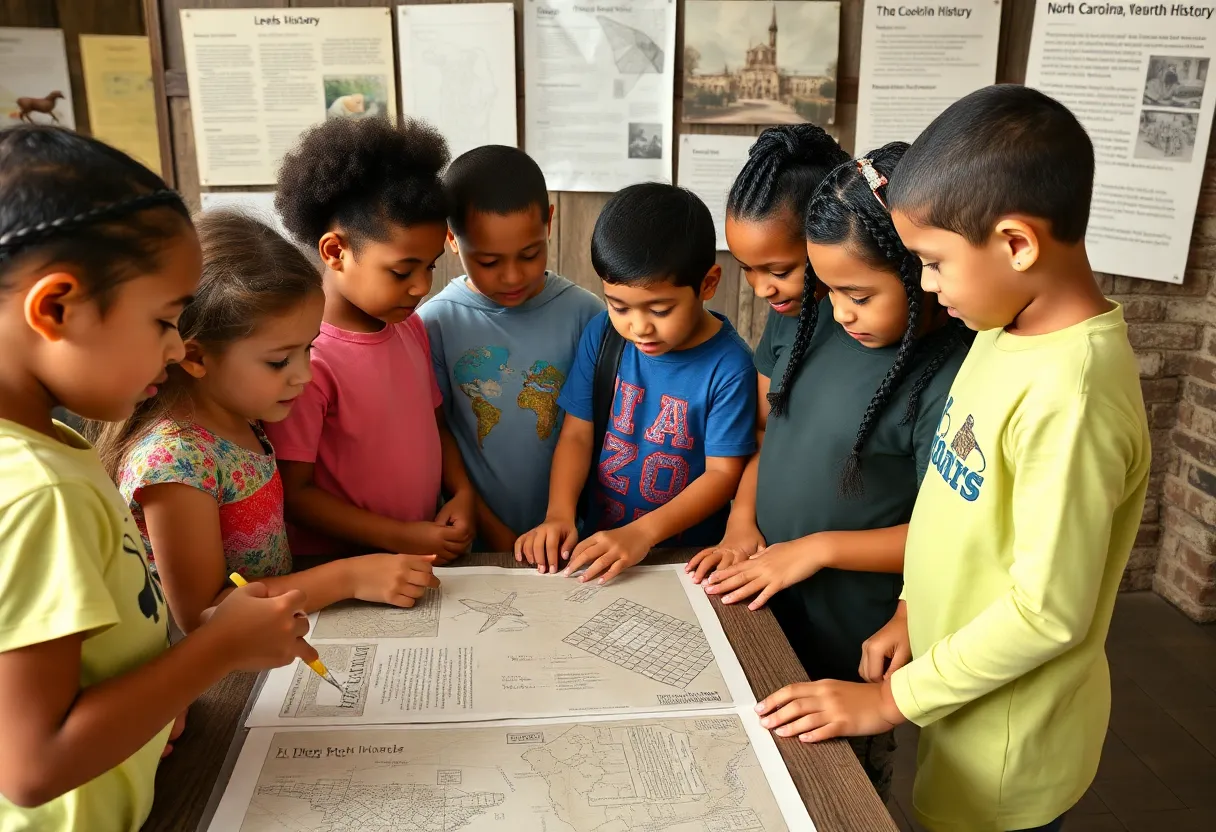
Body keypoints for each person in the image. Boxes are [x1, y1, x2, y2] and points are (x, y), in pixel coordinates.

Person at [756, 86, 1152, 832]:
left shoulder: (1074, 393)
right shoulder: (1004, 330)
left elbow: (1047, 614)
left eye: (934, 263)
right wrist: (914, 605)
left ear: (1016, 243)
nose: (928, 287)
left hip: (1008, 742)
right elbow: (954, 506)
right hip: (956, 695)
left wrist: (884, 703)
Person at [0, 125, 313, 831]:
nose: (176, 348)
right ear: (56, 309)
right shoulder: (39, 492)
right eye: (164, 321)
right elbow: (32, 765)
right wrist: (217, 651)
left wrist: (143, 715)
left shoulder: (46, 450)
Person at [692, 143, 968, 800]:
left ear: (915, 269)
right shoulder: (808, 317)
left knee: (840, 790)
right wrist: (741, 519)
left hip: (853, 634)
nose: (842, 310)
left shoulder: (948, 373)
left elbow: (950, 536)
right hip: (769, 604)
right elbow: (771, 434)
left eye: (859, 294)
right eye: (833, 290)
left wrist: (814, 550)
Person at [90, 211, 439, 634]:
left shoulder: (243, 420)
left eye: (308, 349)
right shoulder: (175, 464)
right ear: (196, 357)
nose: (304, 375)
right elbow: (202, 616)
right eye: (279, 361)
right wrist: (348, 578)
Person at [516, 184, 757, 582]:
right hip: (600, 547)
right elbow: (577, 435)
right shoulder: (605, 337)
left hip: (685, 562)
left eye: (660, 309)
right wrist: (559, 513)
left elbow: (722, 475)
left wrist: (641, 534)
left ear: (708, 284)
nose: (639, 326)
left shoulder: (730, 366)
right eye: (619, 306)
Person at [266, 116, 477, 561]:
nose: (422, 286)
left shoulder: (410, 328)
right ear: (335, 252)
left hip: (416, 557)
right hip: (339, 573)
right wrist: (401, 537)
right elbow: (296, 494)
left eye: (430, 266)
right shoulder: (308, 358)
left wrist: (460, 493)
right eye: (402, 271)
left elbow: (436, 428)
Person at [417, 146, 602, 552]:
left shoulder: (587, 315)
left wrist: (565, 519)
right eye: (488, 261)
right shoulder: (433, 324)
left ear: (549, 221)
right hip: (476, 545)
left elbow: (595, 432)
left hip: (575, 539)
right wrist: (498, 538)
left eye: (530, 254)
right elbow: (438, 434)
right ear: (451, 239)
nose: (513, 275)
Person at [688, 123, 848, 575]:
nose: (761, 288)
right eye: (747, 270)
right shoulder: (785, 321)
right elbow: (765, 433)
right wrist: (741, 519)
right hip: (767, 565)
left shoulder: (873, 331)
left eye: (778, 269)